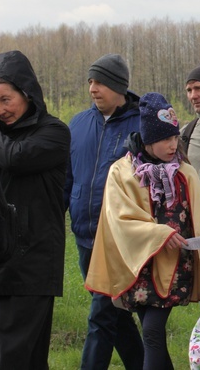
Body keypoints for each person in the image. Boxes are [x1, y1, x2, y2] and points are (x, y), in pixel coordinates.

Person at [84, 92, 200, 370]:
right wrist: (159, 234)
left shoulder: (184, 171)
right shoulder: (123, 172)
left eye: (174, 138)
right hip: (138, 265)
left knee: (153, 333)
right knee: (151, 334)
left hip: (172, 267)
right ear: (148, 140)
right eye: (165, 140)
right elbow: (119, 218)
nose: (172, 145)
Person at [65, 53, 145, 370]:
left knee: (101, 314)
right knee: (117, 315)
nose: (93, 89)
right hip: (85, 235)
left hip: (120, 240)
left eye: (99, 82)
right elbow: (68, 177)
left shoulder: (141, 127)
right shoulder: (79, 124)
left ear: (118, 86)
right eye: (90, 82)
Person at [0, 50, 71, 369]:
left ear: (27, 93)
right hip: (2, 261)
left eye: (5, 100)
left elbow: (16, 158)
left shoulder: (54, 133)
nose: (0, 110)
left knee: (14, 358)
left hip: (32, 264)